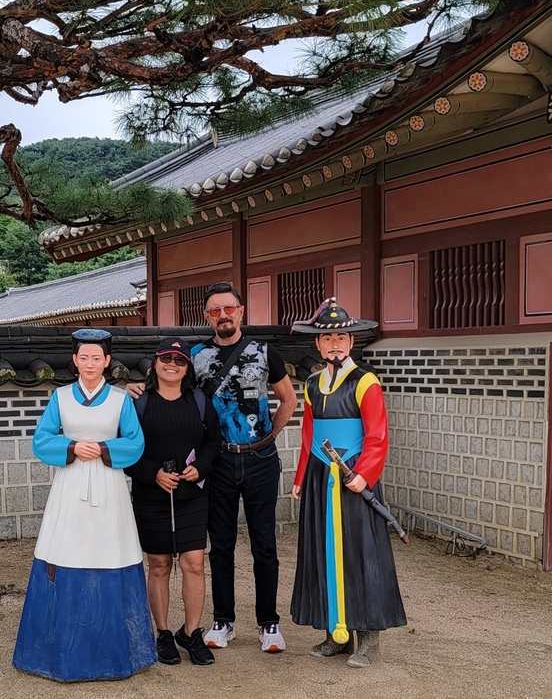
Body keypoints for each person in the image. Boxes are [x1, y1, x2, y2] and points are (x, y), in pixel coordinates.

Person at [126, 282, 298, 653]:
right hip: (217, 460)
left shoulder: (265, 352)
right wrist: (136, 388)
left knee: (264, 543)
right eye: (215, 310)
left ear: (241, 311)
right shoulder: (196, 356)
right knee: (220, 544)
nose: (223, 315)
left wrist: (267, 437)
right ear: (207, 317)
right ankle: (223, 620)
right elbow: (170, 383)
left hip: (260, 459)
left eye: (229, 308)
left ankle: (268, 623)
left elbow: (289, 399)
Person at [13, 329, 156, 682]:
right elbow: (42, 439)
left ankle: (117, 653)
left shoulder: (120, 400)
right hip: (71, 483)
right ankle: (57, 651)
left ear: (107, 361)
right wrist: (73, 447)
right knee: (65, 550)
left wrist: (105, 448)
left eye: (97, 357)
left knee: (112, 550)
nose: (90, 364)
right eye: (84, 357)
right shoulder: (60, 397)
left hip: (109, 485)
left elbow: (135, 442)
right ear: (74, 360)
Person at [290, 299, 407, 668]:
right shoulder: (312, 384)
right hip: (319, 476)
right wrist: (301, 475)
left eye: (342, 337)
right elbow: (308, 434)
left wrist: (364, 474)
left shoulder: (365, 382)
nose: (335, 344)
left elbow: (378, 435)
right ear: (318, 344)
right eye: (328, 338)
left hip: (352, 475)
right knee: (322, 550)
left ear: (352, 342)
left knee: (361, 553)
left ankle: (368, 640)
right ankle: (334, 634)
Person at [125, 337, 221, 667]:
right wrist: (152, 473)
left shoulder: (200, 400)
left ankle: (191, 633)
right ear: (154, 363)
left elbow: (213, 442)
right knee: (160, 564)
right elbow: (125, 451)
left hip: (192, 494)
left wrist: (201, 467)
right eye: (166, 358)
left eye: (180, 360)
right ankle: (163, 633)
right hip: (151, 496)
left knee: (194, 562)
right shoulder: (138, 402)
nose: (172, 364)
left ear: (187, 367)